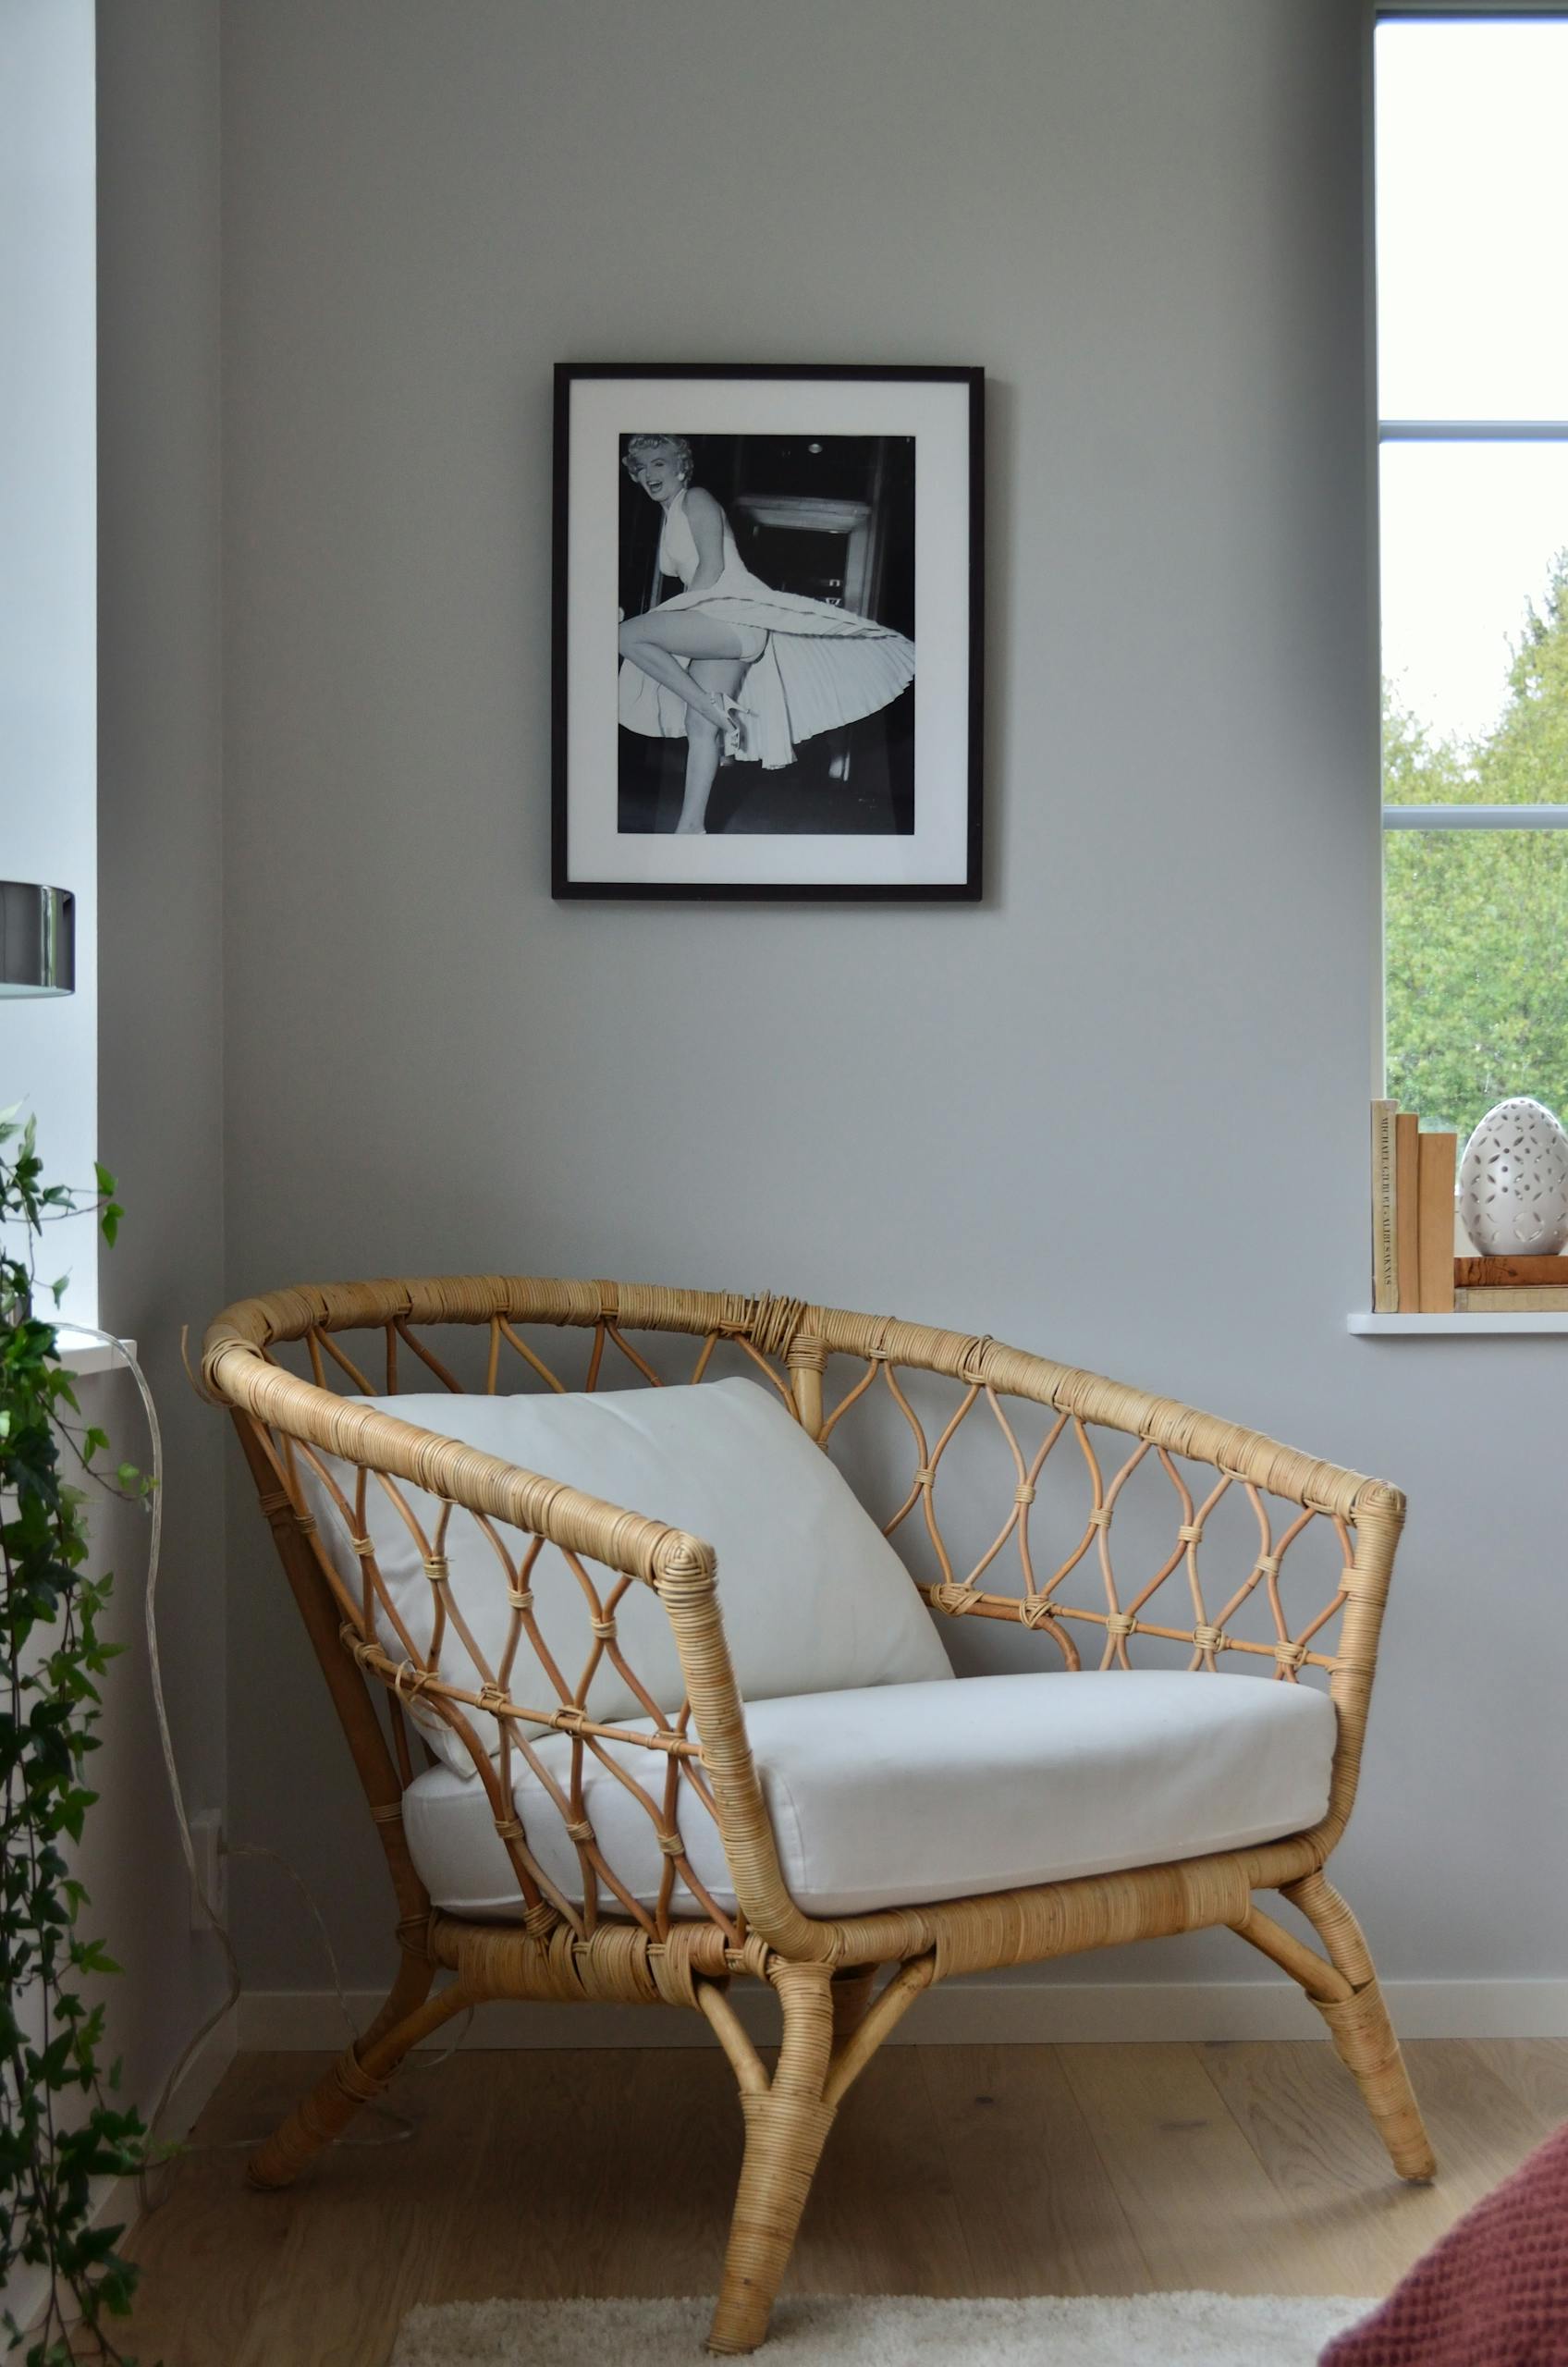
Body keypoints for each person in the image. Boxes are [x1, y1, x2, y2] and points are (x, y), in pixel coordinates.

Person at [617, 435, 916, 835]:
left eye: (659, 463)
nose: (649, 473)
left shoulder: (697, 498)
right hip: (720, 619)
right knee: (699, 728)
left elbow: (710, 568)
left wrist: (673, 628)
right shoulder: (670, 515)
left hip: (731, 614)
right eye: (641, 466)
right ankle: (691, 827)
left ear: (681, 467)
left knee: (627, 636)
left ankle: (710, 707)